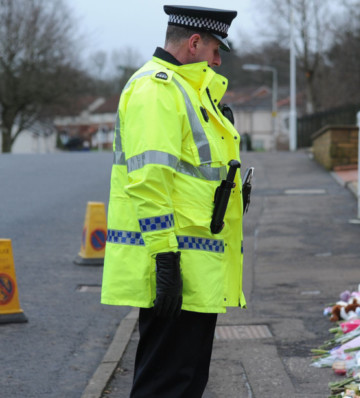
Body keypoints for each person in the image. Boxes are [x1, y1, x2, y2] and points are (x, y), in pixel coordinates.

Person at [101, 5, 245, 397]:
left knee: (184, 382)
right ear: (195, 43)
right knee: (165, 385)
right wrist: (166, 260)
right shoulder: (158, 89)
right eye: (216, 50)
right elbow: (149, 181)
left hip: (195, 267)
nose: (217, 61)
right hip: (177, 264)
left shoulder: (188, 91)